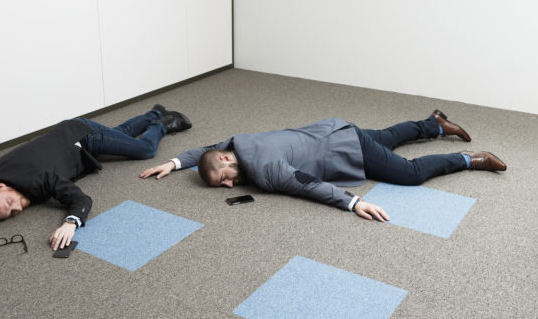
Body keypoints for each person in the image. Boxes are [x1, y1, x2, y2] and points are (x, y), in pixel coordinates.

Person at [140, 110, 506, 222]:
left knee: (410, 173)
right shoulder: (237, 143)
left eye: (224, 178)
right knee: (387, 137)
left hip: (347, 149)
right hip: (334, 129)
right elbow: (204, 151)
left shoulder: (266, 171)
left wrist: (353, 202)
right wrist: (174, 162)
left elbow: (307, 185)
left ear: (226, 160)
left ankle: (471, 160)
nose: (228, 185)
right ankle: (434, 124)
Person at [0, 105, 191, 250]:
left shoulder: (38, 179)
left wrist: (70, 223)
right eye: (10, 214)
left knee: (144, 150)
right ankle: (155, 112)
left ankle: (161, 124)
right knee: (121, 135)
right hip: (65, 133)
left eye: (9, 202)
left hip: (85, 137)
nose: (17, 208)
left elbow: (80, 199)